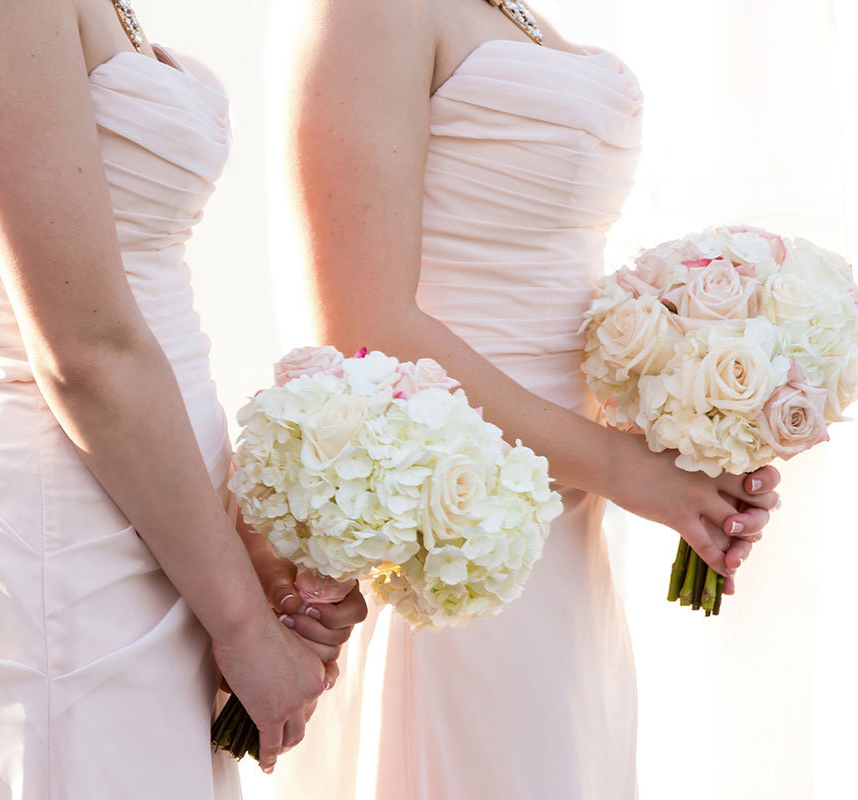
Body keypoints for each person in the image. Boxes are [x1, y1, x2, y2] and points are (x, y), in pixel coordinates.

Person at [268, 1, 781, 797]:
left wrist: (688, 418)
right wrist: (625, 467)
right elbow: (364, 324)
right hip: (439, 510)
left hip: (570, 519)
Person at [0, 0, 364, 795]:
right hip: (65, 527)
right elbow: (85, 352)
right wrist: (242, 627)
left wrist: (253, 562)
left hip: (160, 515)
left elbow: (147, 322)